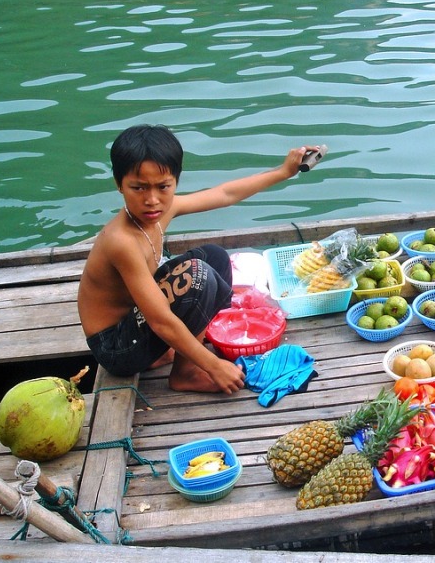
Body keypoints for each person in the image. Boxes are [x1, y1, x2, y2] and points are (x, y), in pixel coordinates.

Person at [77, 124, 318, 394]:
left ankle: (169, 354)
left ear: (175, 182)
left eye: (163, 187)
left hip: (135, 325)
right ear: (119, 184)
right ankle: (185, 373)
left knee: (213, 257)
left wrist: (283, 172)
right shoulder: (122, 241)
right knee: (197, 276)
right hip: (116, 348)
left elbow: (226, 194)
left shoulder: (160, 210)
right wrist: (213, 365)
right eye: (139, 188)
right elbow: (159, 321)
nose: (152, 200)